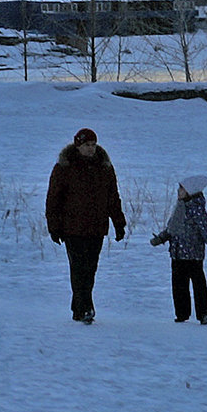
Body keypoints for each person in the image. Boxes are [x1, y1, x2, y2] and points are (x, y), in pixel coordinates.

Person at [45, 127, 127, 324]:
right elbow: (53, 199)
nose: (91, 149)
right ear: (78, 145)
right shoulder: (64, 167)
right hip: (72, 227)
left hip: (96, 226)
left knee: (90, 269)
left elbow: (112, 197)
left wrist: (119, 222)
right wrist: (54, 226)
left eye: (93, 145)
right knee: (79, 267)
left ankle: (79, 307)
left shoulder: (104, 167)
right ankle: (86, 307)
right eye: (86, 145)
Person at [150, 175, 207, 324]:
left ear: (189, 191)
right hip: (177, 254)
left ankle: (203, 314)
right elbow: (172, 229)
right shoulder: (180, 207)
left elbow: (206, 230)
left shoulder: (197, 210)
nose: (178, 191)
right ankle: (182, 314)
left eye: (181, 188)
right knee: (179, 286)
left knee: (198, 285)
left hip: (194, 255)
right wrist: (161, 238)